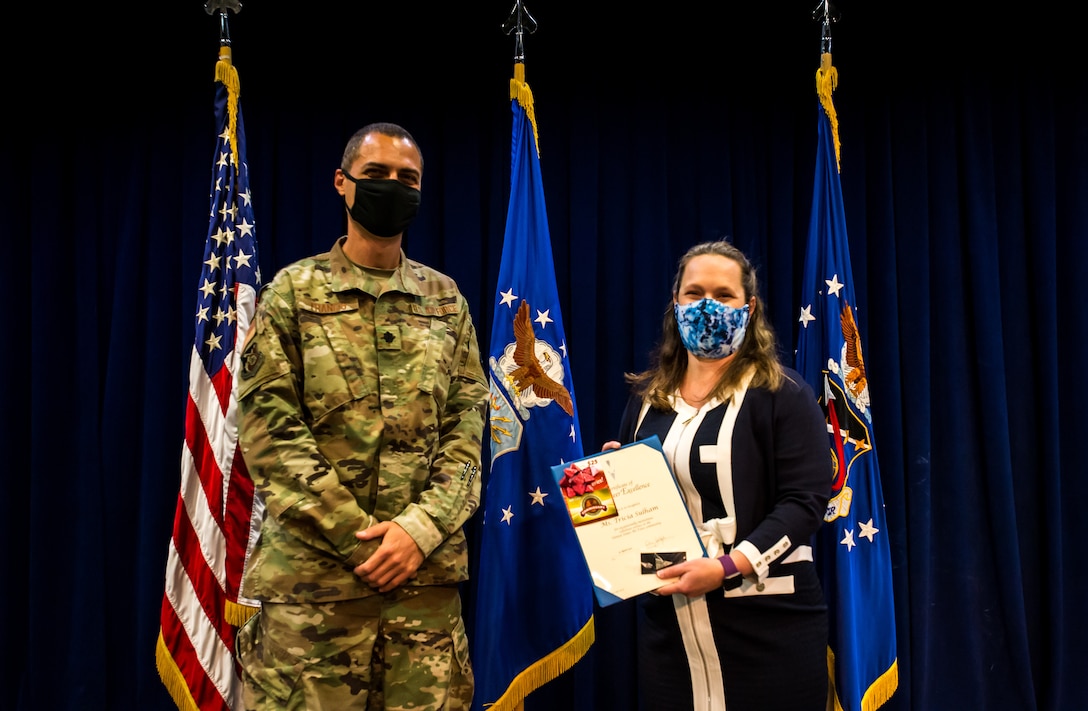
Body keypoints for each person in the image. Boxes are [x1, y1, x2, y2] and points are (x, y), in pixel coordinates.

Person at [234, 122, 489, 710]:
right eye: (376, 175)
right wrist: (365, 541)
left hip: (422, 598)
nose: (392, 187)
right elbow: (270, 431)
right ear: (342, 184)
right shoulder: (291, 294)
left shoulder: (447, 301)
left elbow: (469, 429)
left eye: (407, 178)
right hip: (313, 600)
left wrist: (418, 531)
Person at [601, 239, 832, 711]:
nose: (707, 305)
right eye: (694, 292)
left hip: (769, 632)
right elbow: (631, 518)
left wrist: (727, 567)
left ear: (748, 308)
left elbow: (804, 503)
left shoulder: (782, 395)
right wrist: (608, 483)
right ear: (675, 303)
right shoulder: (647, 401)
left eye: (724, 295)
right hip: (672, 639)